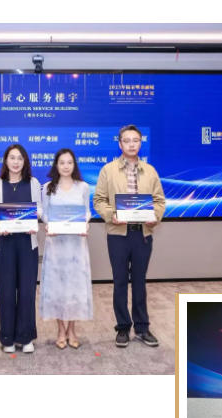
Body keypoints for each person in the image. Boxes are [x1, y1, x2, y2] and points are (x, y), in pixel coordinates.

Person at [93, 124, 166, 348]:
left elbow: (159, 201)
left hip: (142, 234)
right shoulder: (108, 170)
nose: (131, 144)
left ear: (140, 143)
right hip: (118, 234)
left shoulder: (150, 171)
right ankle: (123, 328)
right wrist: (111, 215)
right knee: (120, 282)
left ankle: (142, 328)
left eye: (135, 140)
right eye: (127, 140)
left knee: (140, 282)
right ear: (120, 143)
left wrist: (155, 217)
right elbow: (99, 200)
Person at [0, 144, 42, 354]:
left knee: (27, 292)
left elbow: (40, 208)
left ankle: (25, 337)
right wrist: (1, 221)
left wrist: (32, 218)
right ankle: (7, 337)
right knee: (7, 292)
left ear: (25, 161)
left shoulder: (33, 183)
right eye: (12, 158)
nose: (16, 162)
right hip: (4, 243)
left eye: (20, 158)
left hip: (27, 242)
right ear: (6, 160)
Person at [39, 149, 93, 349]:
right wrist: (48, 224)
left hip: (76, 245)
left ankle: (72, 330)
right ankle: (60, 330)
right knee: (57, 287)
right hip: (56, 244)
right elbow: (44, 213)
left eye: (69, 162)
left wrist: (85, 223)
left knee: (74, 288)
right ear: (56, 165)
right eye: (62, 162)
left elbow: (86, 211)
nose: (66, 166)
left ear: (74, 165)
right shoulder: (48, 188)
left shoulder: (83, 187)